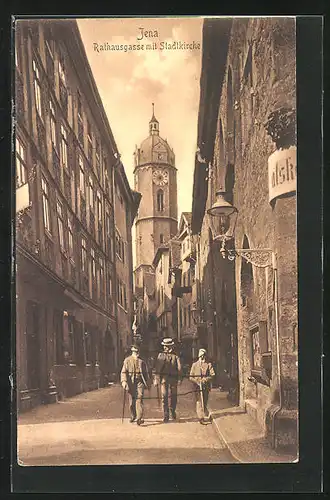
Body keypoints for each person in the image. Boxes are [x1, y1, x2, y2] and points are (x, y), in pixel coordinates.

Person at [120, 345, 151, 425]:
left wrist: (148, 383)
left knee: (139, 398)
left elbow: (146, 373)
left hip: (140, 382)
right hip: (131, 383)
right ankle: (133, 415)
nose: (137, 353)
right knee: (132, 402)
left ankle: (139, 418)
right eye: (135, 352)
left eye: (138, 352)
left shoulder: (142, 362)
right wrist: (124, 381)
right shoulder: (127, 361)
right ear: (132, 352)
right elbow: (123, 372)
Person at [154, 338, 182, 422]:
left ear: (171, 347)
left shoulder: (175, 356)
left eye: (168, 346)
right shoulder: (160, 356)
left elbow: (179, 368)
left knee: (173, 396)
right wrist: (156, 379)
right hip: (164, 380)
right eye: (165, 346)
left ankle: (172, 410)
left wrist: (180, 379)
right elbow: (157, 368)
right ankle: (166, 415)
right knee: (164, 396)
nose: (166, 348)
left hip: (173, 379)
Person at [189, 348, 215, 424]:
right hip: (197, 387)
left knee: (205, 401)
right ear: (199, 356)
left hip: (205, 386)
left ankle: (203, 413)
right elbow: (190, 377)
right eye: (201, 356)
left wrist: (205, 379)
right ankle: (201, 418)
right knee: (199, 401)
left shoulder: (208, 364)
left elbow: (212, 374)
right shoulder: (194, 365)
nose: (202, 357)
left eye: (203, 356)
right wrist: (196, 381)